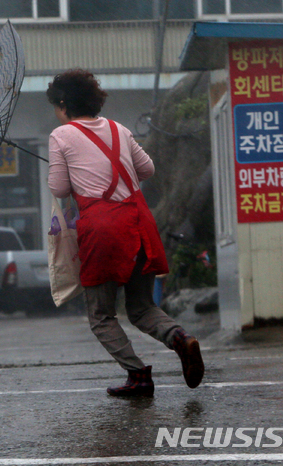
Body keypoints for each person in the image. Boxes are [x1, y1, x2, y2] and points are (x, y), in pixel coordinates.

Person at [46, 69, 204, 397]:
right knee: (142, 306)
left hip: (103, 230)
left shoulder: (61, 136)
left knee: (102, 314)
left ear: (64, 104)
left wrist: (76, 173)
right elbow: (147, 169)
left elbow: (59, 188)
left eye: (56, 106)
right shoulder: (119, 129)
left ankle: (138, 375)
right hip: (138, 223)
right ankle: (180, 339)